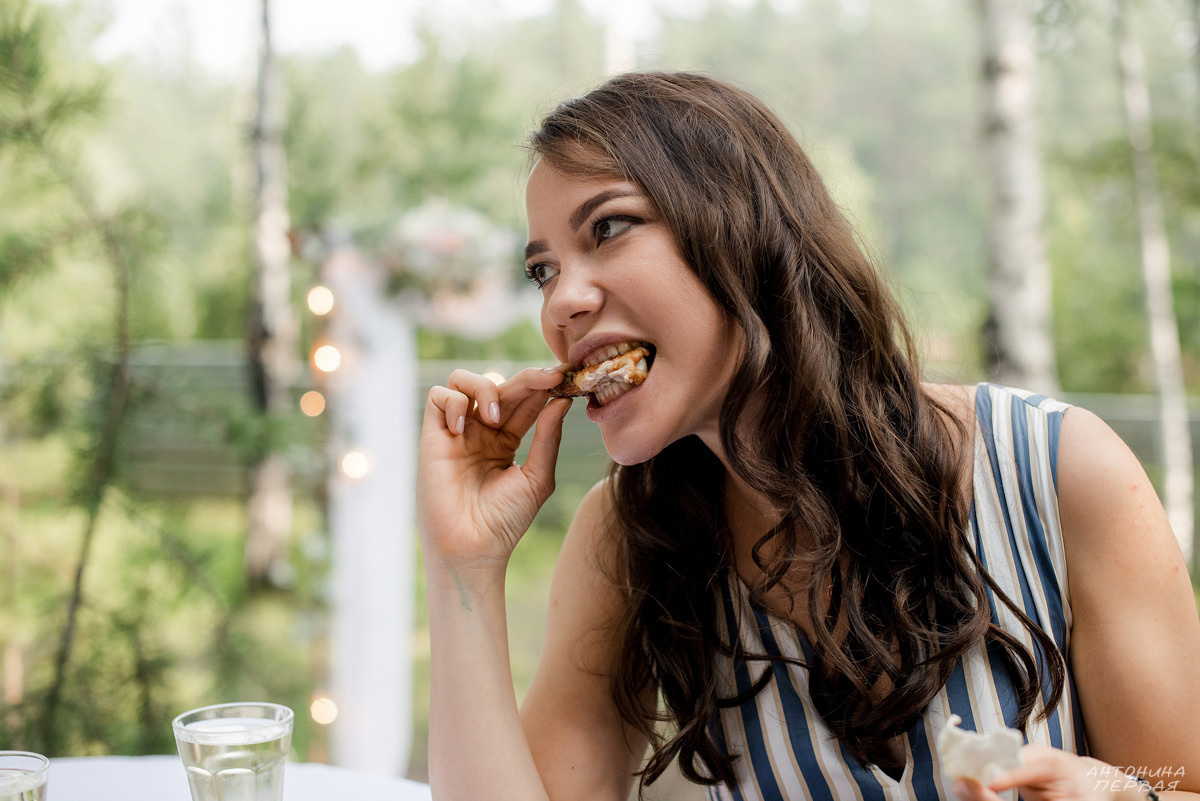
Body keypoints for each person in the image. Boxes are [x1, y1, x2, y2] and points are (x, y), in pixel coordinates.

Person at [415, 71, 1200, 801]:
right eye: (542, 271)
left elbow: (1178, 781)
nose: (561, 305)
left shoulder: (1060, 472)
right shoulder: (626, 537)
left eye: (609, 227)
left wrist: (1124, 792)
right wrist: (465, 567)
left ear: (744, 227)